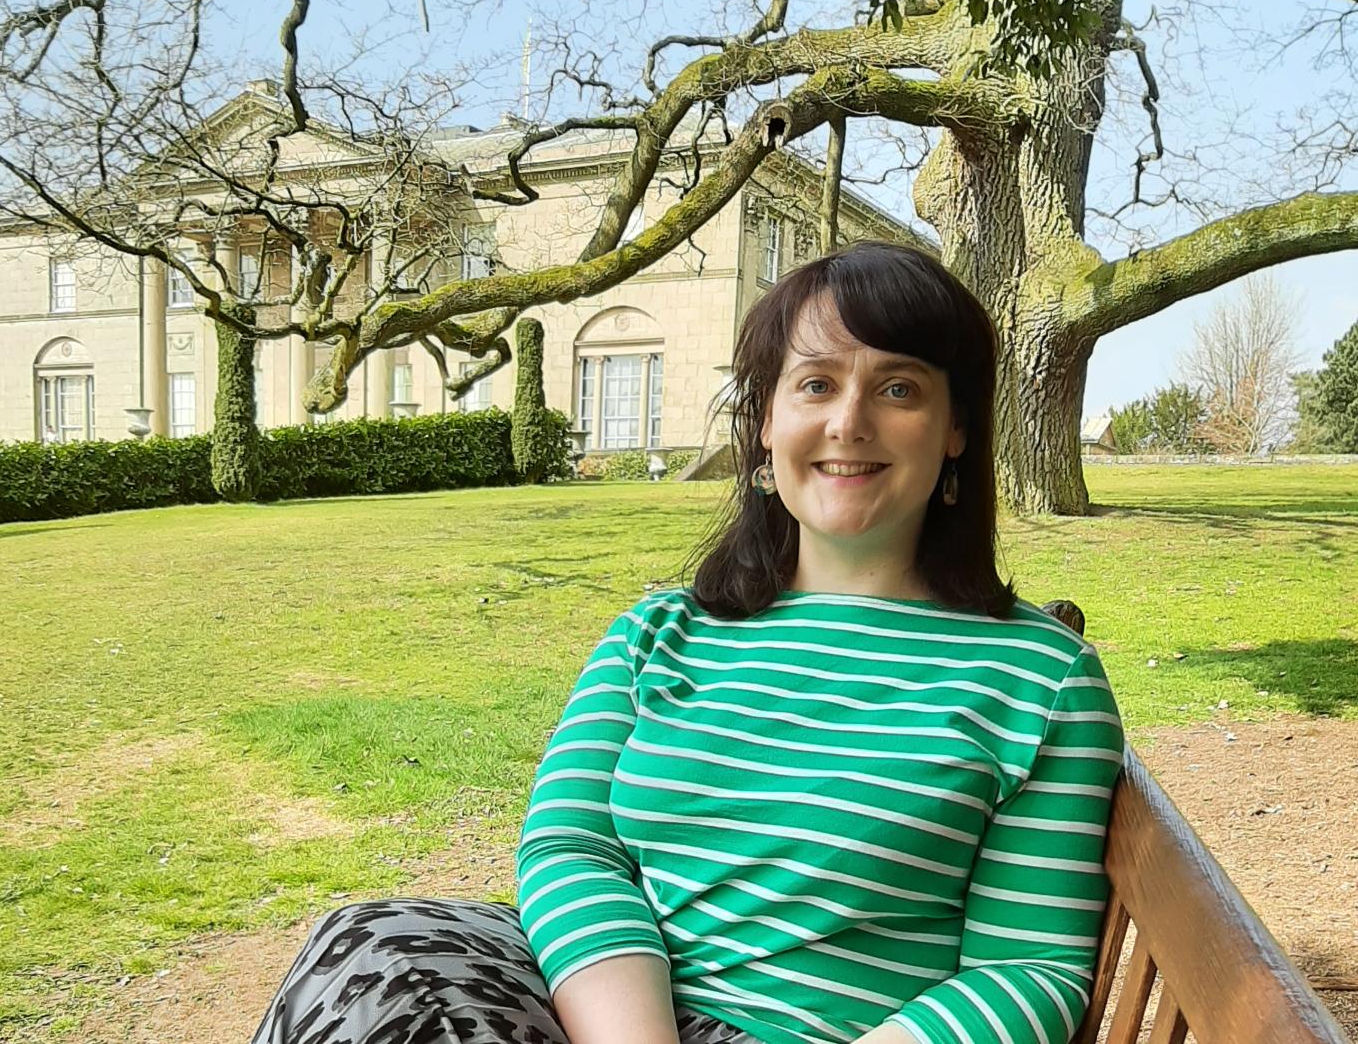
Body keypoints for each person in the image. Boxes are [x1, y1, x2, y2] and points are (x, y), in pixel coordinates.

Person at [249, 241, 1125, 1044]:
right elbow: (570, 847)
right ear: (765, 425)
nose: (848, 422)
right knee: (375, 945)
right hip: (617, 1017)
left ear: (955, 429)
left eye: (898, 388)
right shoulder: (658, 633)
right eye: (814, 384)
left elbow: (1027, 969)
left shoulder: (1036, 678)